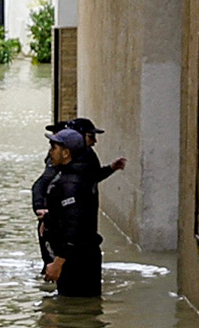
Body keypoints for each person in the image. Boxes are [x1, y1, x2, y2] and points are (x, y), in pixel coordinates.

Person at [31, 117, 127, 269]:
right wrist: (43, 211)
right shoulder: (64, 170)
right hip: (68, 240)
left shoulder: (84, 161)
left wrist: (110, 169)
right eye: (91, 136)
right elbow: (41, 184)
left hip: (79, 244)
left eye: (54, 147)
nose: (95, 141)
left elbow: (91, 179)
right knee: (54, 269)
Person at [40, 127, 103, 297]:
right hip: (77, 258)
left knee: (75, 309)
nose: (50, 152)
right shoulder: (73, 175)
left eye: (54, 148)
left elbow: (75, 225)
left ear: (66, 153)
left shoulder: (70, 183)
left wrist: (59, 262)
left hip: (76, 261)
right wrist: (48, 218)